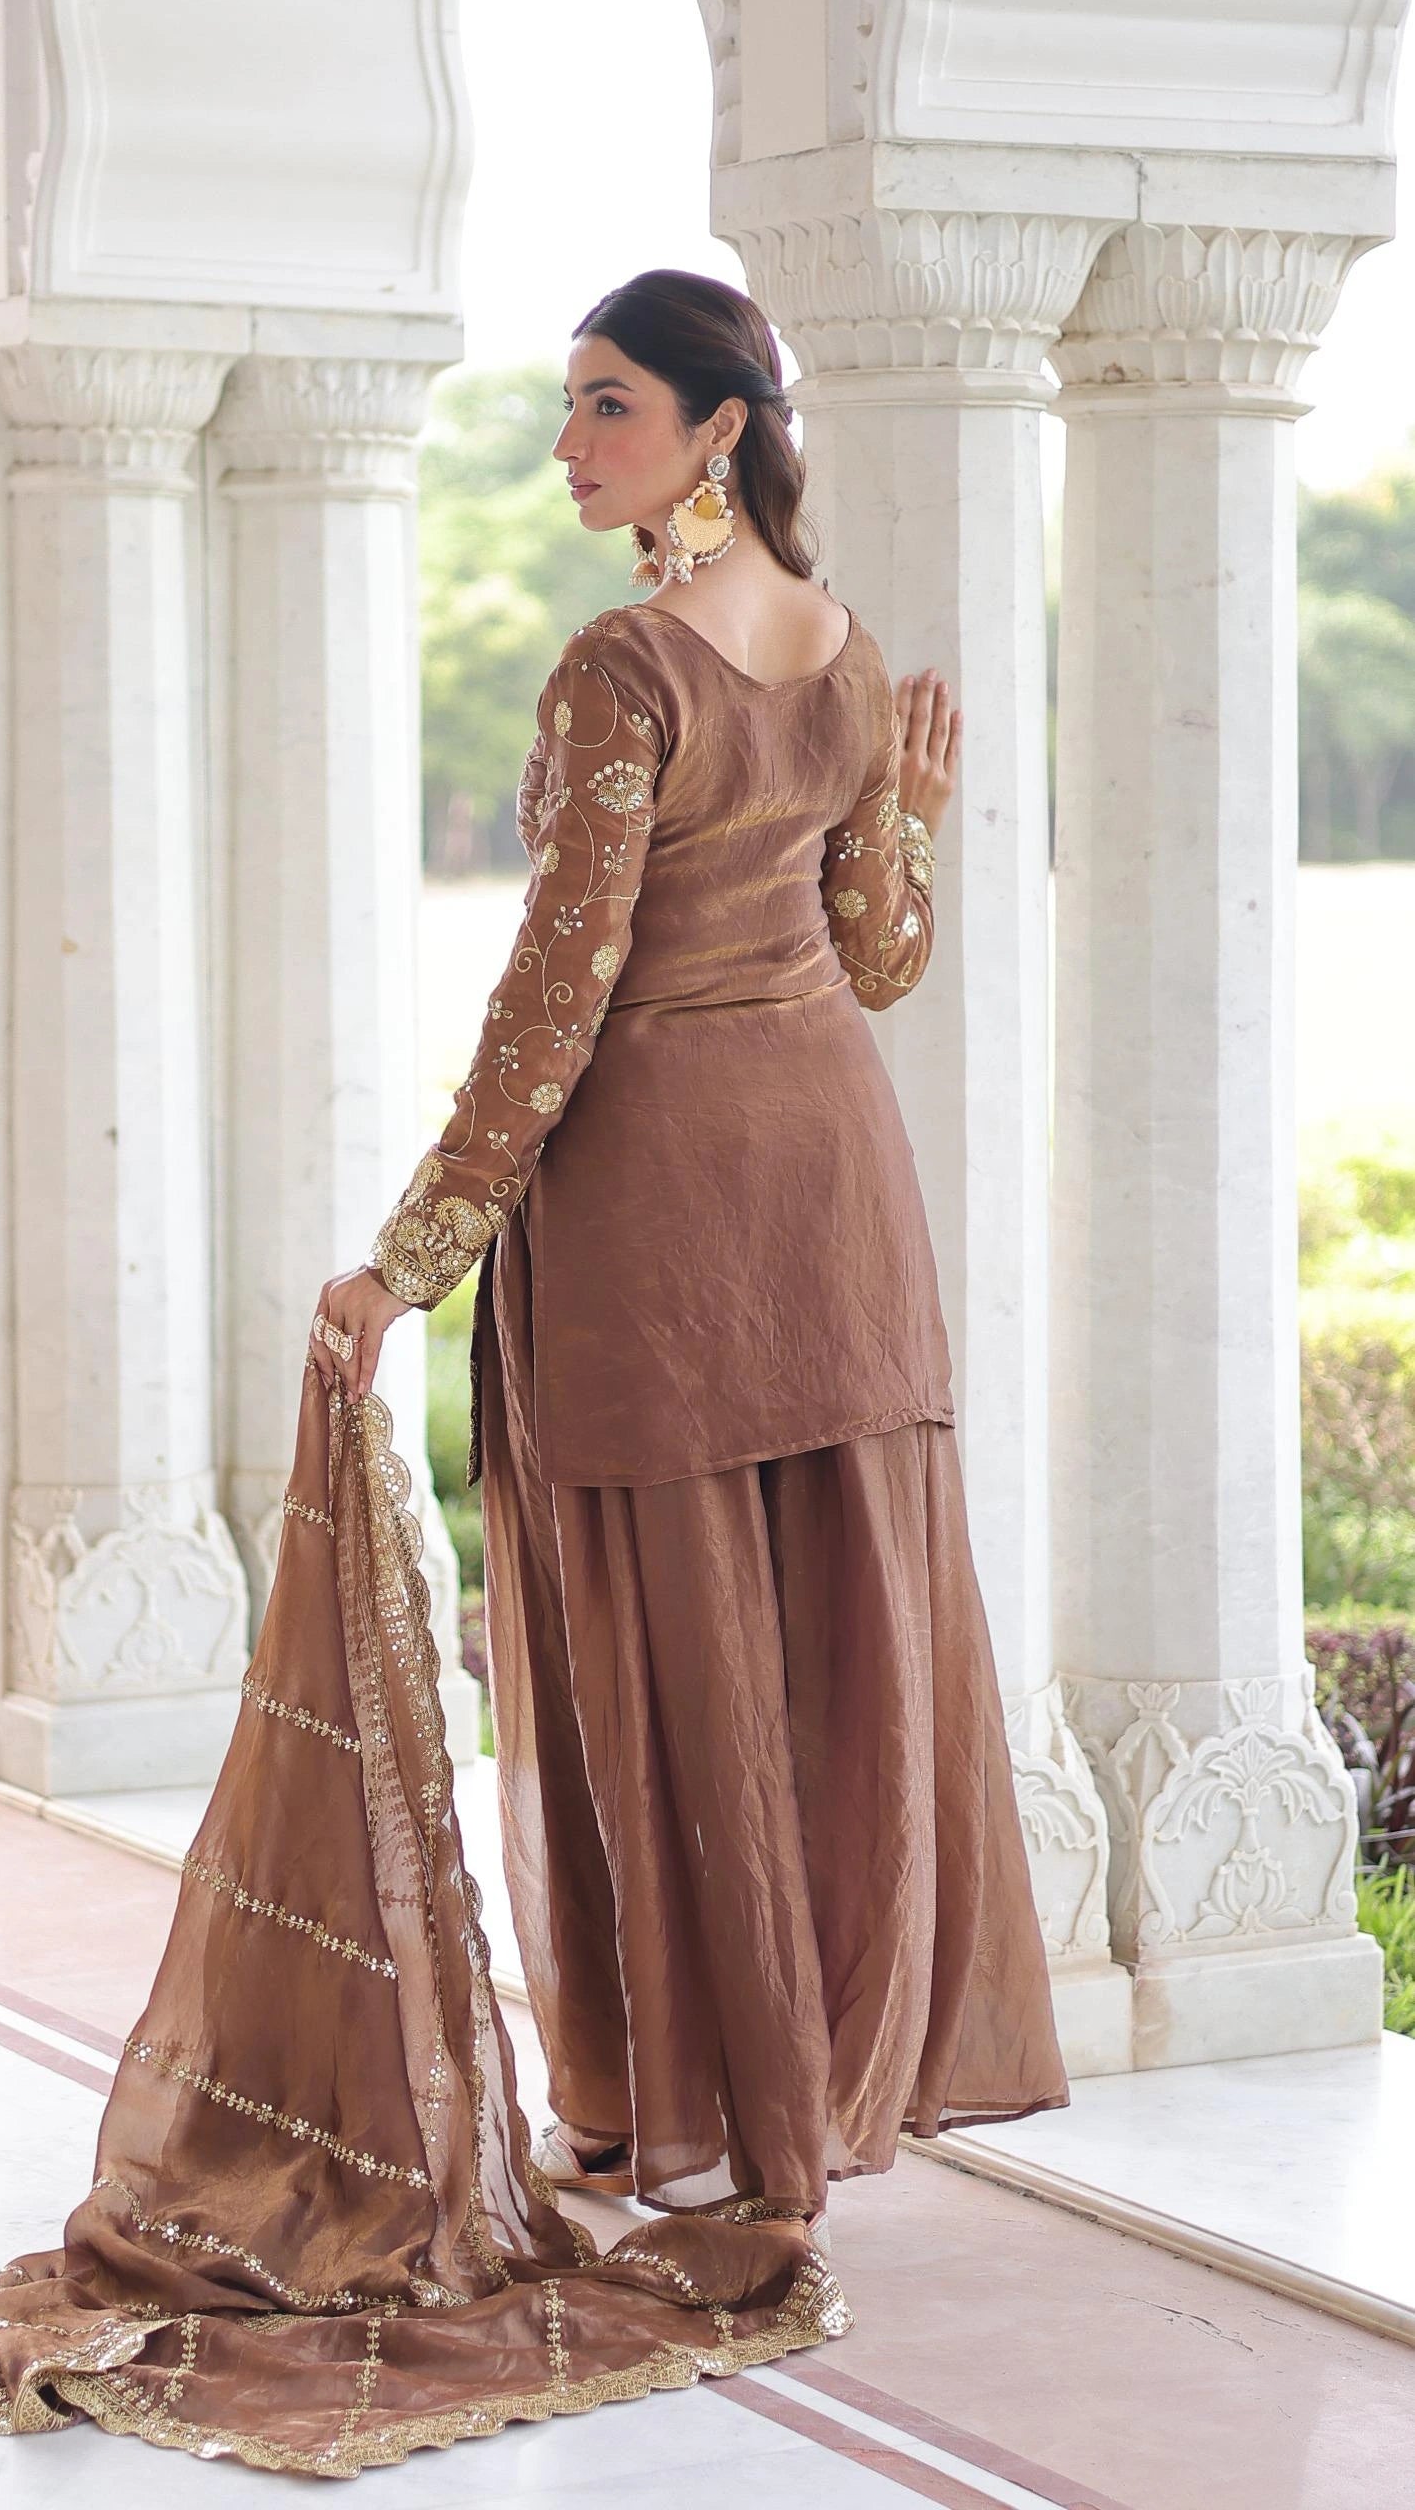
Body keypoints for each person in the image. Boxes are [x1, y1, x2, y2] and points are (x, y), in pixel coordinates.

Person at [312, 267, 1069, 2245]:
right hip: (834, 1190)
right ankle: (791, 2084)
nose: (570, 443)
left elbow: (555, 1000)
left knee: (662, 1649)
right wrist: (902, 809)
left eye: (608, 405)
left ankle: (668, 2092)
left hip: (662, 1203)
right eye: (570, 405)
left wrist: (410, 1255)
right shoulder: (838, 646)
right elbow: (877, 964)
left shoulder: (621, 668)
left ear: (717, 426)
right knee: (823, 1638)